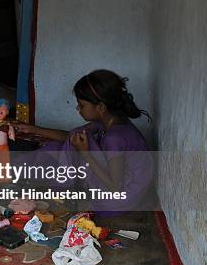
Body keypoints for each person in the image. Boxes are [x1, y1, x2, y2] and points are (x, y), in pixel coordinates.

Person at [12, 69, 153, 214]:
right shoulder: (110, 121)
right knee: (55, 147)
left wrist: (85, 152)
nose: (78, 108)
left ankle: (59, 190)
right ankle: (44, 180)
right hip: (122, 187)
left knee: (67, 153)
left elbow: (115, 186)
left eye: (82, 105)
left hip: (121, 199)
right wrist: (33, 130)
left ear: (101, 107)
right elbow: (72, 137)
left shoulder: (114, 137)